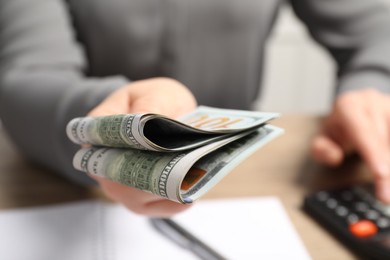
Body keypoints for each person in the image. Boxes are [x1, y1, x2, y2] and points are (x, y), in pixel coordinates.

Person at [1, 0, 390, 217]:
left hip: (246, 177)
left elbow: (376, 27)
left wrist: (370, 86)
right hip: (69, 186)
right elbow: (26, 77)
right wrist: (112, 125)